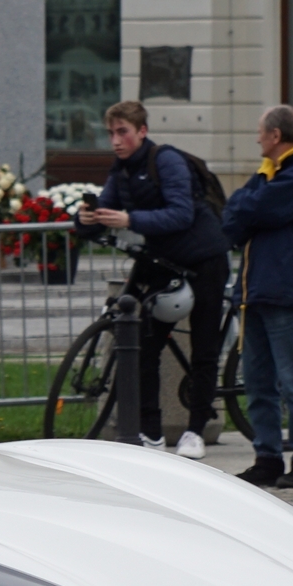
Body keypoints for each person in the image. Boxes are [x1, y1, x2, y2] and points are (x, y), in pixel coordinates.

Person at [78, 101, 229, 457]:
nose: (115, 140)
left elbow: (180, 213)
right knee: (144, 347)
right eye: (111, 133)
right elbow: (108, 210)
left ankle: (195, 430)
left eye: (122, 132)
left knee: (205, 346)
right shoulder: (121, 171)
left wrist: (130, 220)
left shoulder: (166, 161)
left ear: (141, 132)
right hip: (161, 261)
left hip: (204, 257)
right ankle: (151, 431)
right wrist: (86, 219)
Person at [223, 105, 293, 490]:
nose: (256, 139)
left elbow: (259, 207)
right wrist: (248, 205)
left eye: (260, 132)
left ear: (275, 135)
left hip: (286, 290)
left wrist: (249, 206)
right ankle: (267, 457)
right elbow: (234, 215)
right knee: (257, 382)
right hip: (254, 291)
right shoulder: (269, 173)